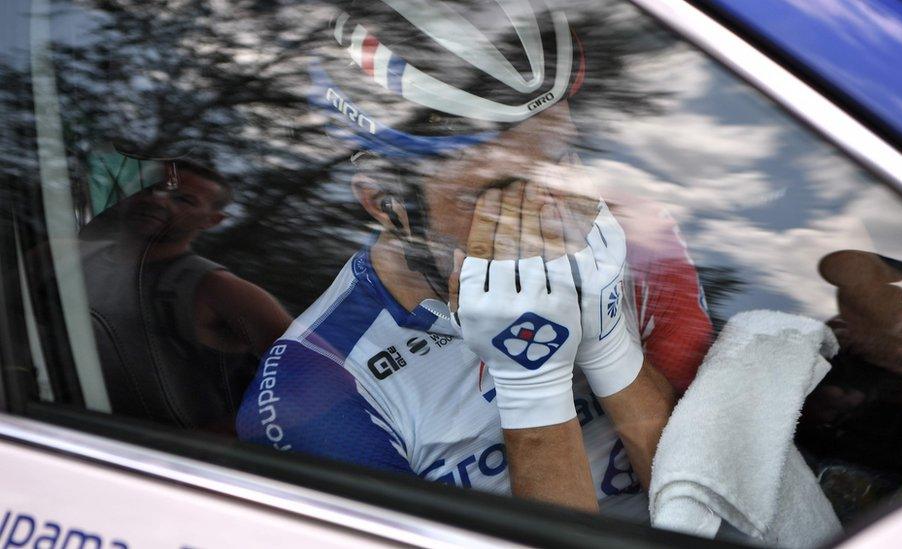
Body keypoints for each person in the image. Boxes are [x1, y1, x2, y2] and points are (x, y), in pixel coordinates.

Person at [236, 1, 711, 518]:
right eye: (503, 191)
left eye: (561, 161)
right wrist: (532, 386)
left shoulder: (625, 238)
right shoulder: (318, 393)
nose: (553, 211)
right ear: (388, 206)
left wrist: (609, 347)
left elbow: (729, 508)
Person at [81, 151, 292, 432]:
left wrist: (209, 443)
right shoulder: (63, 257)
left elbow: (313, 381)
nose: (157, 200)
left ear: (212, 220)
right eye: (150, 189)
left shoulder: (220, 291)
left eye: (183, 199)